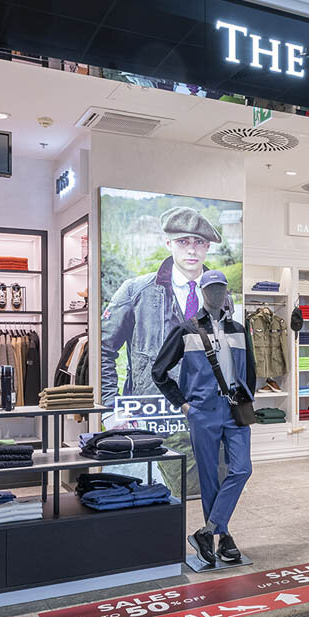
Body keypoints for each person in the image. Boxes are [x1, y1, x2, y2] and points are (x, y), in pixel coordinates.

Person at [100, 205, 221, 495]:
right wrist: (110, 408)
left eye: (199, 242)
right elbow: (103, 349)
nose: (191, 249)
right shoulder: (136, 291)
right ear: (168, 243)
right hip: (152, 415)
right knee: (153, 498)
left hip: (205, 415)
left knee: (204, 495)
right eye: (183, 241)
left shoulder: (219, 296)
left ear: (207, 247)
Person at [152, 270, 255, 566]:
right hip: (202, 411)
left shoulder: (239, 329)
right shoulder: (187, 330)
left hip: (235, 409)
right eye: (211, 289)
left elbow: (250, 369)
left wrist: (248, 398)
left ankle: (208, 531)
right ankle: (224, 538)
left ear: (226, 292)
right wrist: (184, 405)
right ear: (203, 292)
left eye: (221, 288)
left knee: (242, 469)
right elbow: (159, 371)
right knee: (209, 476)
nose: (217, 294)